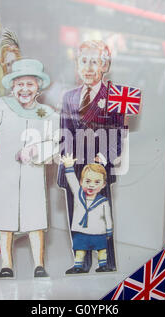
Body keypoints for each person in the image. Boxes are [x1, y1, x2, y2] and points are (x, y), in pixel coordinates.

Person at [0, 59, 59, 278]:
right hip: (4, 173)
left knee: (35, 219)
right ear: (12, 86)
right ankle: (6, 265)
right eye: (20, 84)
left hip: (32, 174)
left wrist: (36, 151)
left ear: (38, 86)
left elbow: (56, 142)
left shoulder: (47, 113)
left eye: (30, 84)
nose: (25, 89)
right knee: (4, 218)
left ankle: (39, 264)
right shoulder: (1, 105)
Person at [57, 40, 125, 274]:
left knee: (102, 216)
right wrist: (64, 158)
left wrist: (105, 157)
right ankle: (81, 262)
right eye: (83, 61)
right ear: (76, 65)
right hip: (74, 166)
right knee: (76, 215)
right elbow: (63, 132)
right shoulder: (68, 96)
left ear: (105, 66)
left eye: (94, 62)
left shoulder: (114, 97)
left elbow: (118, 135)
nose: (87, 67)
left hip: (99, 168)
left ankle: (108, 261)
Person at [60, 154, 113, 273]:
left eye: (97, 182)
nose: (91, 185)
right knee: (80, 250)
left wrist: (109, 230)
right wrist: (68, 166)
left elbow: (107, 217)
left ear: (103, 185)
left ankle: (103, 265)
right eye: (88, 181)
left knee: (102, 250)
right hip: (81, 232)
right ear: (81, 182)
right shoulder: (79, 196)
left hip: (99, 231)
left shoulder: (103, 201)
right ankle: (78, 266)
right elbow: (72, 181)